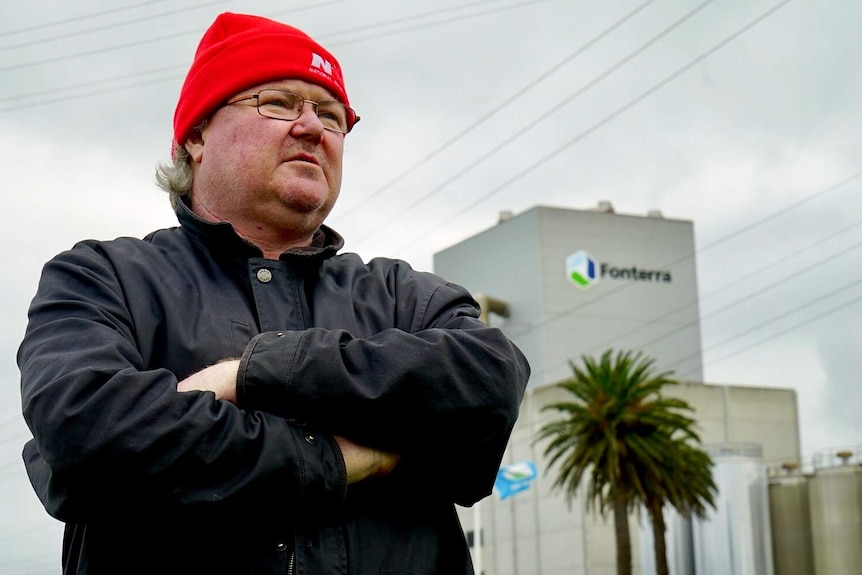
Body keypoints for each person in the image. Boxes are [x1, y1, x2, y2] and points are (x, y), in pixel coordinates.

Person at [18, 12, 530, 575]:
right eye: (280, 103)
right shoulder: (103, 278)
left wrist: (248, 375)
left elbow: (489, 380)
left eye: (331, 114)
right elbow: (89, 436)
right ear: (196, 136)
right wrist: (347, 459)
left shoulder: (403, 295)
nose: (312, 127)